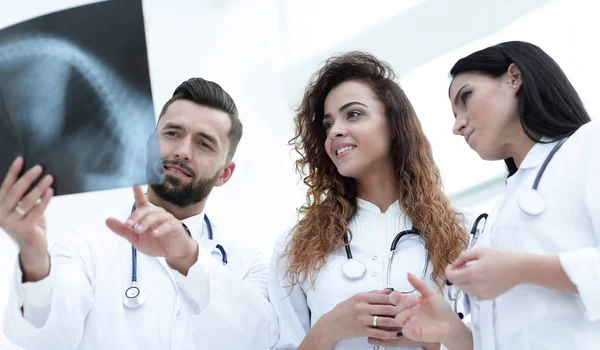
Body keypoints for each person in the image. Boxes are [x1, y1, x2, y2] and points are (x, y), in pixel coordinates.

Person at [0, 78, 278, 349]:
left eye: (204, 144)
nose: (182, 151)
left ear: (224, 174)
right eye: (172, 133)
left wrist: (189, 261)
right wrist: (34, 259)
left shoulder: (250, 266)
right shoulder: (86, 247)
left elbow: (259, 340)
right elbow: (45, 340)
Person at [389, 41, 600, 350]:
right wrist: (450, 331)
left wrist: (520, 270)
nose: (457, 125)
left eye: (466, 98)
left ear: (514, 77)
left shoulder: (589, 146)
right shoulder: (503, 207)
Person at [268, 51, 471, 350]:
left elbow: (497, 339)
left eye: (353, 114)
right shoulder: (295, 247)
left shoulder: (465, 231)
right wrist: (328, 329)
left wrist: (438, 338)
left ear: (394, 123)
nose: (335, 130)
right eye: (327, 124)